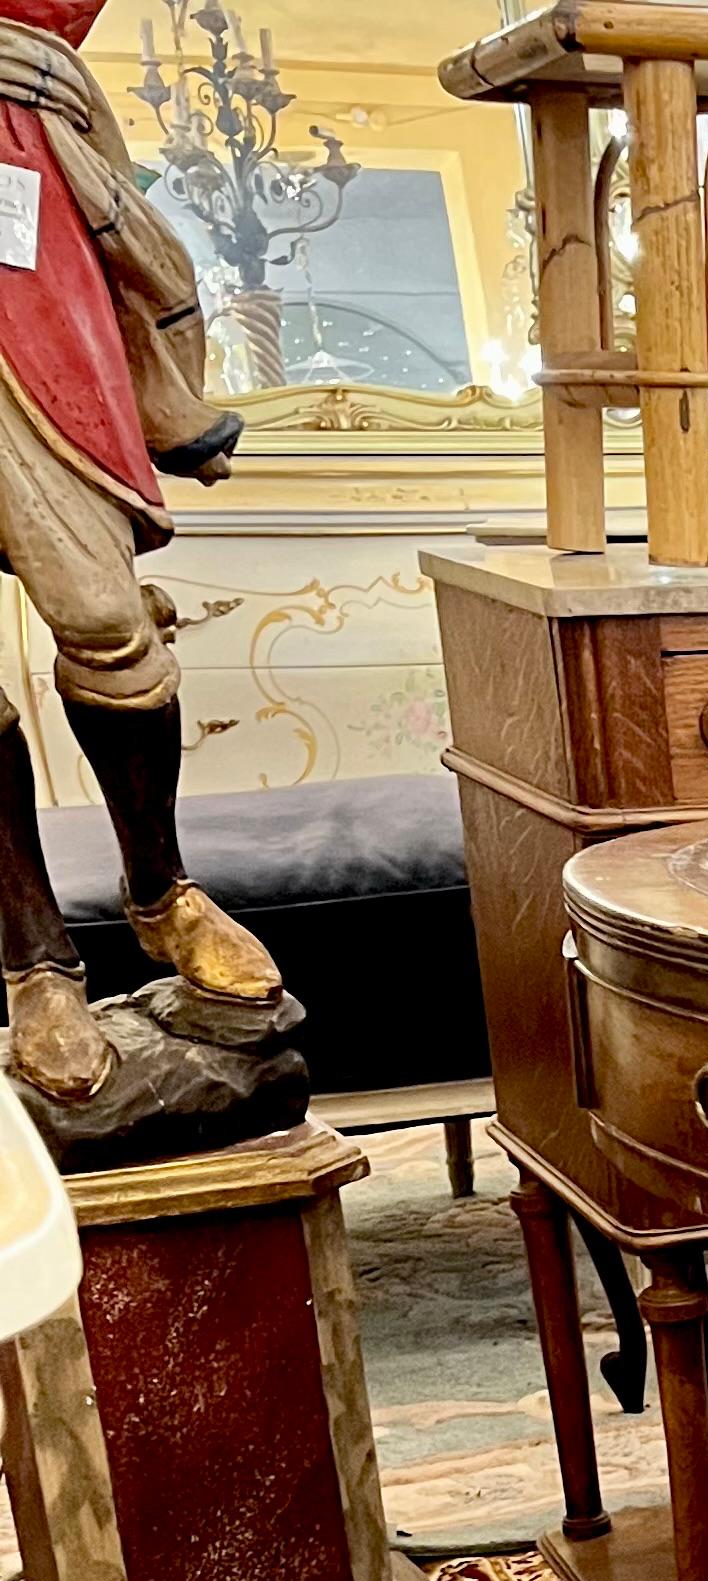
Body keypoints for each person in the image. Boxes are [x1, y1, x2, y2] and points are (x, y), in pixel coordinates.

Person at [0, 0, 280, 1107]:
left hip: (27, 318)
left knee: (111, 629)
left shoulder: (33, 74)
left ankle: (161, 893)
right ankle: (35, 967)